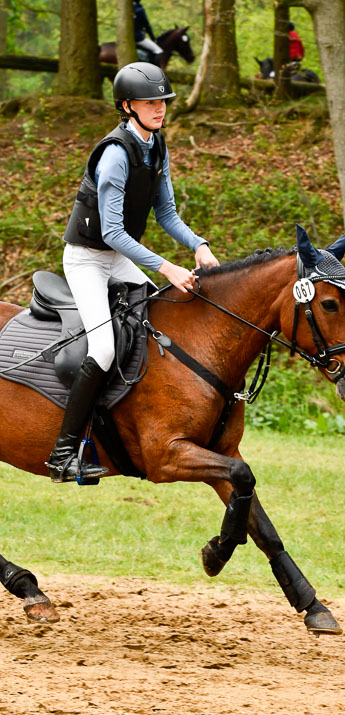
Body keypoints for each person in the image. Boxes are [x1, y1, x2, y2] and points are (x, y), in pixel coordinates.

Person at [46, 62, 219, 483]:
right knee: (103, 347)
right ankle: (63, 453)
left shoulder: (156, 145)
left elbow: (166, 213)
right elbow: (111, 231)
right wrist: (166, 266)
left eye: (163, 101)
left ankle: (136, 420)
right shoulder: (115, 155)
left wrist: (198, 244)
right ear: (127, 106)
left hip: (118, 256)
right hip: (87, 258)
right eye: (150, 102)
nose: (160, 109)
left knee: (158, 321)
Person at [133, 0, 163, 66]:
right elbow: (147, 25)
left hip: (128, 38)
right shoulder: (139, 10)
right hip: (139, 38)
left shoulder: (128, 9)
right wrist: (153, 38)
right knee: (158, 51)